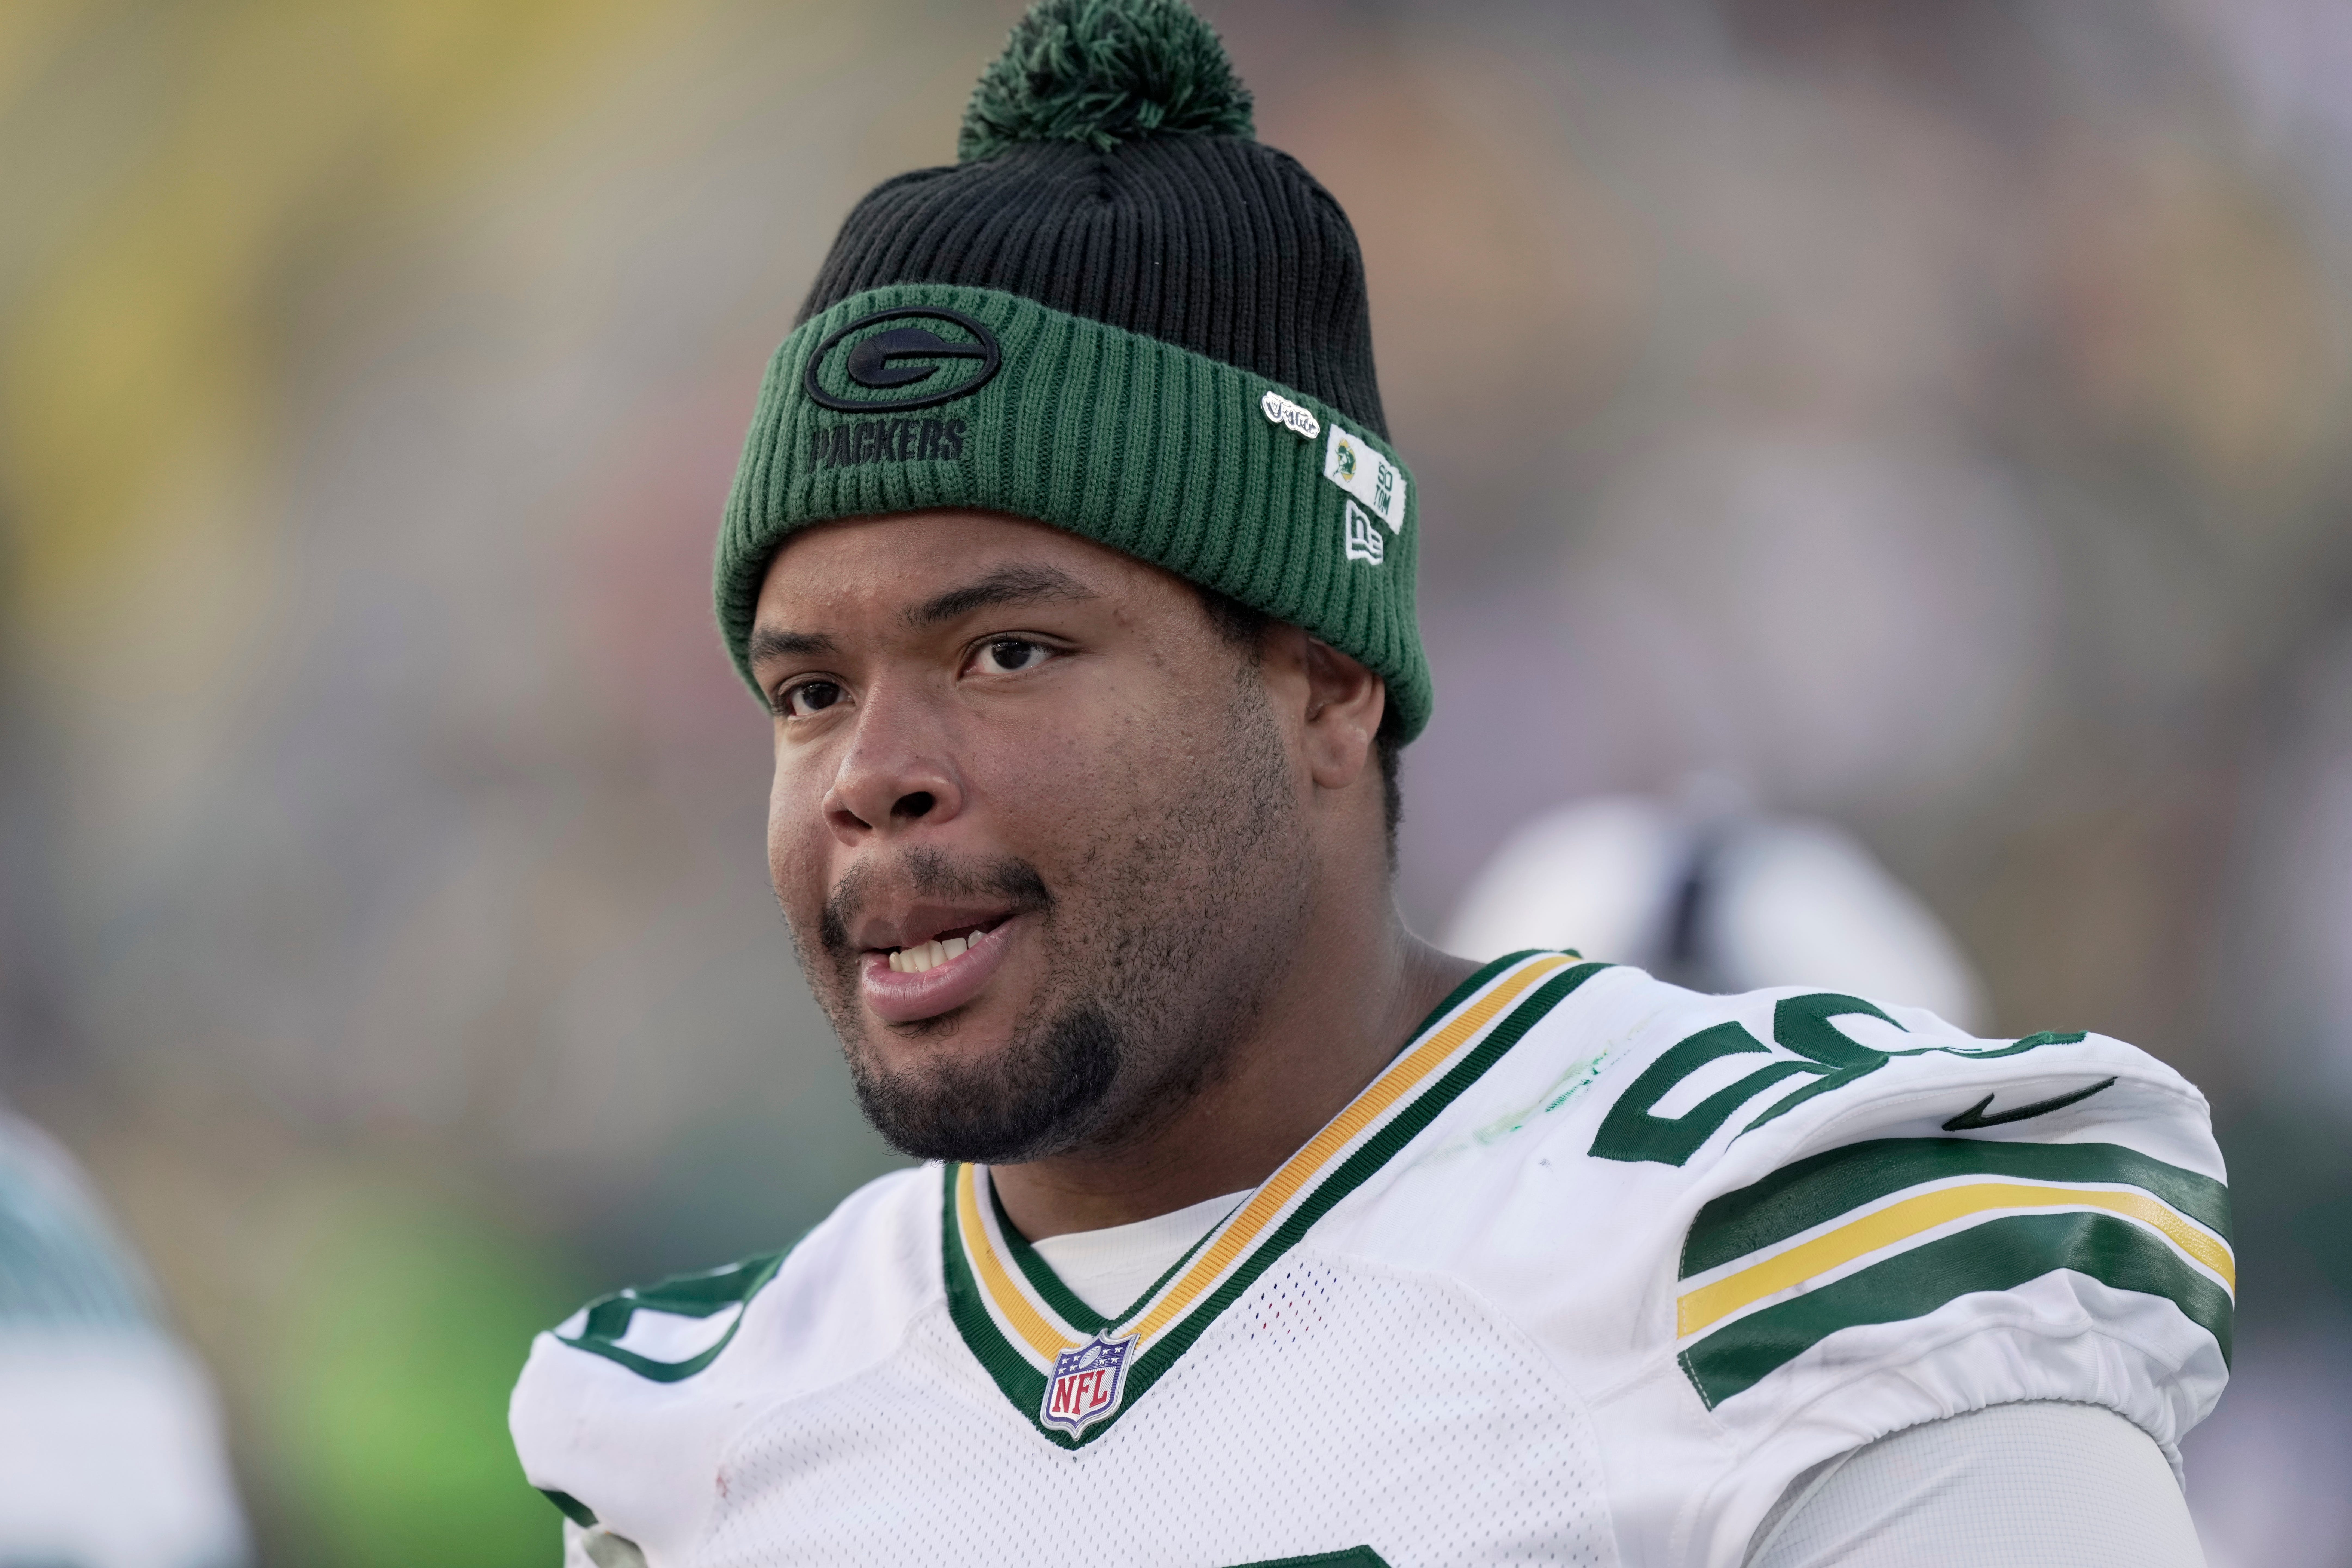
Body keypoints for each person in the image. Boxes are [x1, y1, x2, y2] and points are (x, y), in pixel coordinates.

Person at [508, 3, 2230, 1563]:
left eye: (1007, 653)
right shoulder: (699, 1430)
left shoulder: (1788, 1258)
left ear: (1325, 684)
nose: (871, 778)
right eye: (808, 691)